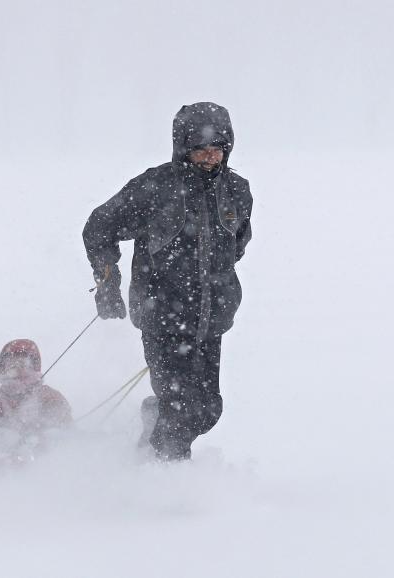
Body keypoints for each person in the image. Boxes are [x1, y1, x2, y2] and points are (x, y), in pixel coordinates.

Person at [82, 102, 253, 460]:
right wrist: (108, 282)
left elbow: (237, 243)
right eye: (201, 150)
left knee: (207, 410)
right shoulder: (155, 188)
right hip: (163, 318)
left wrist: (217, 286)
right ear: (183, 148)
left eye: (217, 149)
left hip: (211, 321)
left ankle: (152, 423)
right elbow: (99, 227)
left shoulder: (236, 190)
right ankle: (163, 485)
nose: (210, 157)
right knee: (182, 410)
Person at [0, 339, 72, 438]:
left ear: (34, 366)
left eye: (23, 364)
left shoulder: (48, 397)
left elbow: (66, 433)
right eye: (11, 364)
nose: (17, 369)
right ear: (2, 367)